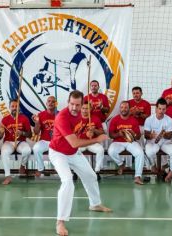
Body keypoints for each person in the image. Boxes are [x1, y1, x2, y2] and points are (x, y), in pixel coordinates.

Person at [48, 90, 111, 236]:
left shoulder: (83, 116)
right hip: (58, 153)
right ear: (67, 103)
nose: (74, 108)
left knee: (90, 176)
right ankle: (60, 221)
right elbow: (74, 142)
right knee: (68, 181)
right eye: (72, 104)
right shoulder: (62, 117)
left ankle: (95, 204)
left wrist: (89, 133)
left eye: (77, 105)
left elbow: (77, 135)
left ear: (82, 104)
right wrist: (96, 139)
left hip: (72, 152)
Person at [107, 101, 145, 185]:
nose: (123, 109)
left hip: (131, 142)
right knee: (111, 151)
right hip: (118, 142)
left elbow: (138, 136)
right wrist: (118, 134)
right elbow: (111, 135)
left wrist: (133, 134)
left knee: (140, 153)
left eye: (126, 107)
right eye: (122, 107)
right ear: (120, 109)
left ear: (129, 109)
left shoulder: (133, 120)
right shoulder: (115, 119)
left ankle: (137, 176)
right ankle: (121, 164)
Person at [144, 98, 172, 182]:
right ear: (156, 108)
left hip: (165, 142)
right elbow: (146, 135)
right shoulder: (149, 119)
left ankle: (171, 172)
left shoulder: (170, 120)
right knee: (149, 152)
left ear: (166, 109)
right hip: (152, 142)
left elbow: (170, 136)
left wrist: (165, 134)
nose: (161, 111)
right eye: (159, 108)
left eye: (163, 109)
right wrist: (150, 135)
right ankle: (153, 165)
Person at [0, 99, 32, 185]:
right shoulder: (5, 120)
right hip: (9, 142)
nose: (14, 108)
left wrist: (22, 133)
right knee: (4, 151)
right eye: (12, 106)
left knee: (27, 150)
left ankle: (22, 165)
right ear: (9, 108)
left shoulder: (24, 118)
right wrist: (1, 132)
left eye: (16, 106)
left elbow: (30, 134)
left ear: (19, 108)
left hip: (20, 142)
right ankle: (8, 176)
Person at [77, 102, 105, 180]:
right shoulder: (76, 119)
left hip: (92, 142)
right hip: (81, 142)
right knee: (73, 151)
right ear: (80, 109)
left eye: (87, 108)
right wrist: (84, 135)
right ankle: (75, 172)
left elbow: (102, 132)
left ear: (91, 109)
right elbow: (72, 134)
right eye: (83, 108)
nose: (85, 110)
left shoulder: (96, 118)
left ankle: (97, 171)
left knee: (100, 150)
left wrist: (94, 130)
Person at [32, 96, 56, 177]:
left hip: (57, 141)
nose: (51, 103)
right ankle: (40, 168)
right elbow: (36, 132)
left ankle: (61, 169)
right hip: (45, 141)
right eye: (49, 101)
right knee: (36, 148)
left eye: (53, 101)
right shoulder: (41, 115)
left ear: (56, 104)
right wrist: (37, 123)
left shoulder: (60, 114)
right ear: (46, 103)